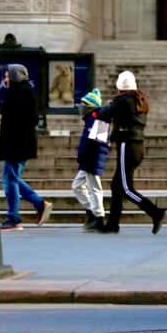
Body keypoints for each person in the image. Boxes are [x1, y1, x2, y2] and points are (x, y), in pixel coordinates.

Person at [94, 70, 166, 234]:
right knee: (116, 186)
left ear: (121, 87)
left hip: (127, 145)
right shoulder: (139, 100)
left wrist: (94, 111)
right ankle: (112, 224)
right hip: (137, 147)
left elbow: (106, 113)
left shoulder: (124, 101)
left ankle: (155, 212)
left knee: (126, 188)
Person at [0, 64, 53, 231]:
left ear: (15, 76)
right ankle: (39, 204)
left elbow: (23, 121)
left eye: (8, 76)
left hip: (16, 145)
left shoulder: (19, 93)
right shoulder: (24, 92)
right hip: (18, 144)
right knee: (11, 178)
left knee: (10, 179)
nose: (5, 79)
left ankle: (14, 218)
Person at [72, 88, 108, 232]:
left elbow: (98, 144)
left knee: (94, 188)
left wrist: (88, 158)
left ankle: (98, 217)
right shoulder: (90, 120)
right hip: (87, 159)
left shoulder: (98, 120)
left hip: (91, 159)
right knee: (77, 186)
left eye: (83, 104)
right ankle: (92, 211)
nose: (81, 107)